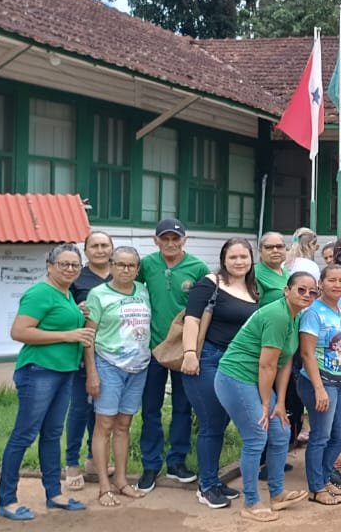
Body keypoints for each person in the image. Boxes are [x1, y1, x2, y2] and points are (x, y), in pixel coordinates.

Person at [0, 243, 93, 521]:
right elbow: (19, 331)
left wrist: (79, 313)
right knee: (24, 434)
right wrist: (68, 335)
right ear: (50, 266)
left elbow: (59, 321)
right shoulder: (40, 292)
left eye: (75, 265)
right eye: (64, 264)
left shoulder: (66, 294)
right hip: (39, 371)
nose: (70, 269)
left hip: (63, 372)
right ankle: (7, 500)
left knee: (52, 434)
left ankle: (54, 494)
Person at [214, 272, 315, 522]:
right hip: (236, 377)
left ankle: (277, 494)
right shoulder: (278, 315)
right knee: (257, 435)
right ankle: (251, 502)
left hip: (257, 380)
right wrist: (266, 403)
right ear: (287, 291)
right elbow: (267, 365)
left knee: (281, 431)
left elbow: (284, 362)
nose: (307, 295)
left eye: (312, 292)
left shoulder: (295, 316)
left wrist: (279, 403)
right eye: (301, 290)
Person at [181, 237, 260, 509]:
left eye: (244, 257)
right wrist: (190, 353)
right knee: (212, 422)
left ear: (251, 259)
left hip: (236, 365)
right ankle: (206, 486)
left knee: (222, 422)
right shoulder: (210, 283)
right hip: (207, 359)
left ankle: (213, 480)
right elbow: (191, 319)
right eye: (233, 257)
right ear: (223, 260)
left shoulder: (252, 289)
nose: (239, 262)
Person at [137, 218, 208, 492]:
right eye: (164, 239)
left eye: (175, 239)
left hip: (183, 348)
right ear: (155, 240)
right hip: (153, 347)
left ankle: (177, 461)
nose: (170, 244)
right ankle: (150, 464)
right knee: (150, 408)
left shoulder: (197, 267)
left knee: (183, 406)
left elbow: (207, 305)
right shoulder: (146, 265)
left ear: (184, 240)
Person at [82, 246, 152, 508]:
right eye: (120, 264)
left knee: (124, 425)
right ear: (111, 265)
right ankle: (104, 486)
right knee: (105, 425)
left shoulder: (142, 291)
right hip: (108, 365)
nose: (126, 269)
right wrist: (92, 373)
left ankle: (121, 481)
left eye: (131, 265)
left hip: (138, 367)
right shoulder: (98, 295)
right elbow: (88, 336)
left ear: (137, 268)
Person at [297, 264, 341, 506]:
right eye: (332, 280)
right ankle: (316, 488)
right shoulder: (313, 312)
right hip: (320, 381)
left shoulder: (340, 309)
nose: (338, 284)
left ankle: (323, 477)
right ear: (320, 283)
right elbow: (307, 353)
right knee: (321, 435)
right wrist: (318, 388)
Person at [64, 231, 113, 491]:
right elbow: (62, 307)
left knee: (101, 409)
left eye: (105, 245)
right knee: (80, 408)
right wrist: (76, 310)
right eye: (95, 246)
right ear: (86, 250)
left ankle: (94, 460)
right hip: (84, 351)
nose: (100, 250)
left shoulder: (121, 275)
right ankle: (71, 463)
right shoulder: (76, 277)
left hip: (113, 354)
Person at [255, 232, 288, 306]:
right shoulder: (255, 274)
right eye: (269, 247)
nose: (275, 250)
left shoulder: (287, 273)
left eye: (279, 246)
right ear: (260, 251)